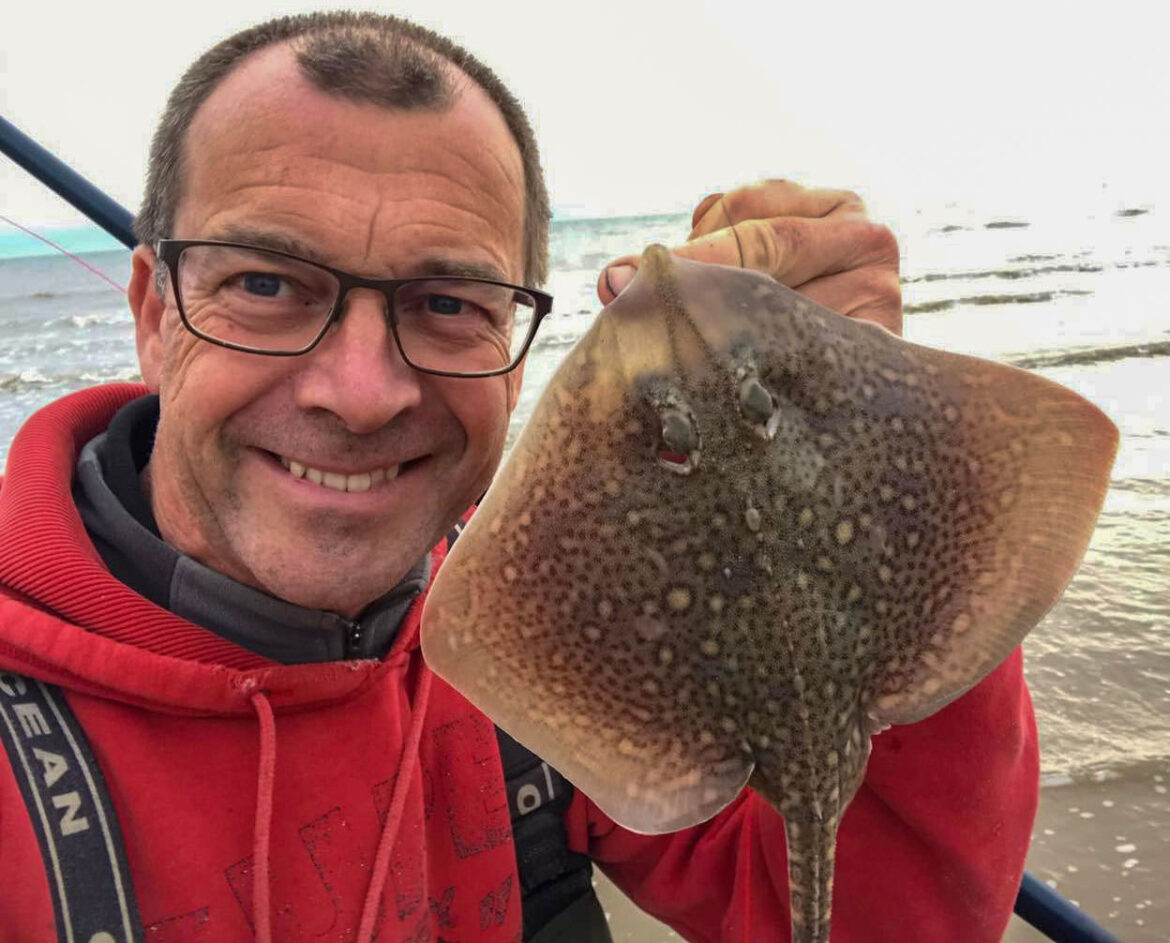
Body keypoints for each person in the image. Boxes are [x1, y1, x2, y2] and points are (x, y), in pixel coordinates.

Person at [0, 11, 1037, 943]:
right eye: (266, 283)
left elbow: (881, 919)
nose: (361, 394)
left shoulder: (536, 637)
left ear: (515, 343)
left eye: (449, 303)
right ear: (154, 314)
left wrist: (882, 473)